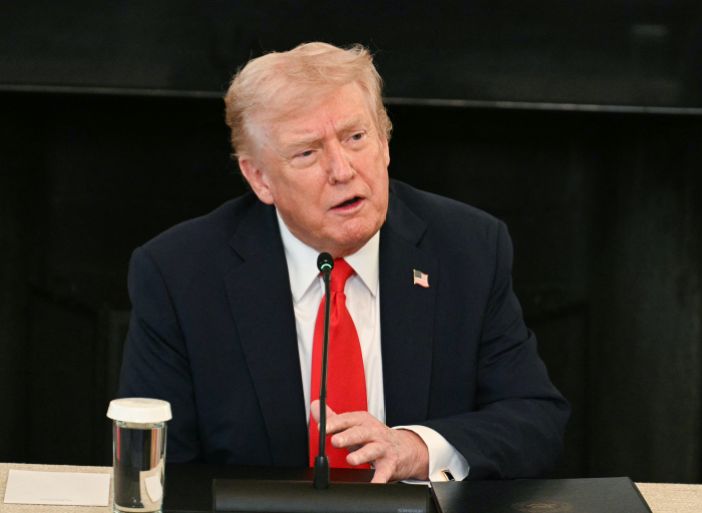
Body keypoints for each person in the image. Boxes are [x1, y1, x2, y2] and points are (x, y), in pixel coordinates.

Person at [118, 42, 569, 483]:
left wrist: (418, 448)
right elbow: (158, 467)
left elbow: (534, 420)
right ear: (259, 178)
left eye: (356, 137)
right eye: (307, 152)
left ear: (386, 144)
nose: (342, 170)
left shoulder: (467, 248)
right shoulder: (179, 273)